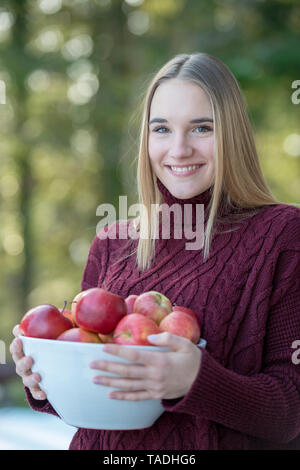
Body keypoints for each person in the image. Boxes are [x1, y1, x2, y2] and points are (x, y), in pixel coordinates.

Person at [10, 52, 300, 450]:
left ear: (232, 134)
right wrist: (44, 383)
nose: (178, 150)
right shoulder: (111, 243)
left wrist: (195, 381)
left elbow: (290, 412)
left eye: (201, 128)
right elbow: (98, 399)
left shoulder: (283, 235)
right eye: (161, 129)